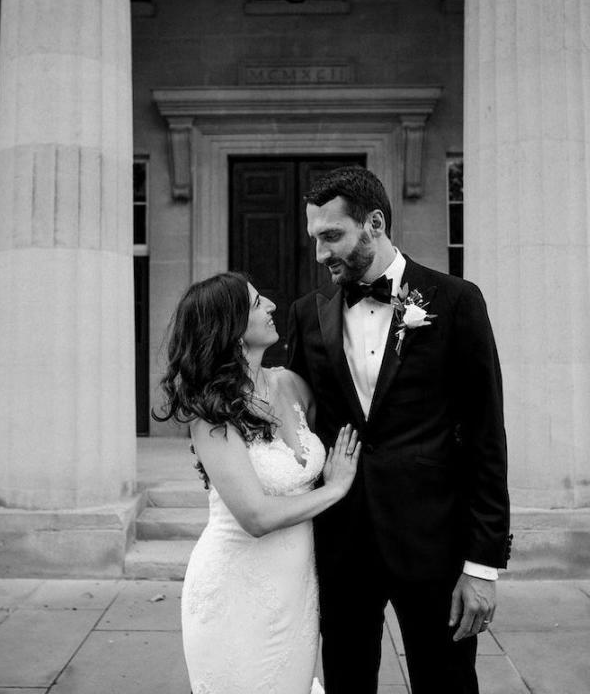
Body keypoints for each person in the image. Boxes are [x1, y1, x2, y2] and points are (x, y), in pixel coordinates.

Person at [286, 166, 511, 694]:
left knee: (447, 685)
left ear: (375, 223)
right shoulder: (305, 315)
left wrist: (483, 563)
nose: (320, 254)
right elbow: (292, 423)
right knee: (347, 681)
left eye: (332, 236)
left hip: (434, 543)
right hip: (342, 545)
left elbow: (486, 436)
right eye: (314, 239)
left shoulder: (456, 301)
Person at [154, 271, 361, 694]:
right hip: (234, 587)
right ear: (229, 329)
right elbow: (255, 515)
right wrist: (334, 489)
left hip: (296, 588)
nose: (271, 305)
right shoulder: (210, 412)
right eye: (255, 303)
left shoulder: (291, 384)